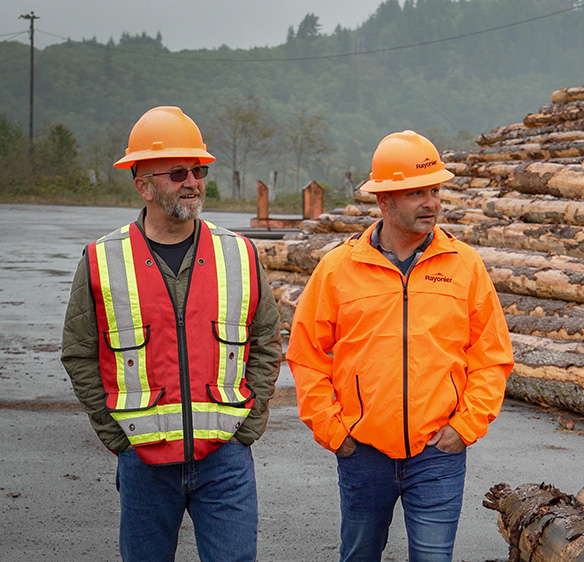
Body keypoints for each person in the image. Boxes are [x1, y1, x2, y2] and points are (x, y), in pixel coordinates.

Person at [60, 106, 283, 562]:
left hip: (225, 458)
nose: (193, 182)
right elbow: (79, 353)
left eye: (199, 170)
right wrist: (116, 435)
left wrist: (249, 423)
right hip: (143, 461)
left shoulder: (239, 254)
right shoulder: (102, 259)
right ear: (143, 184)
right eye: (178, 172)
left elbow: (266, 341)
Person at [286, 130, 514, 562]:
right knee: (358, 555)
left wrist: (464, 427)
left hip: (437, 454)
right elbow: (305, 355)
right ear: (384, 201)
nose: (431, 202)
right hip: (363, 452)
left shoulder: (464, 266)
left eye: (434, 190)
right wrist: (334, 431)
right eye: (416, 193)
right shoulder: (339, 269)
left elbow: (492, 356)